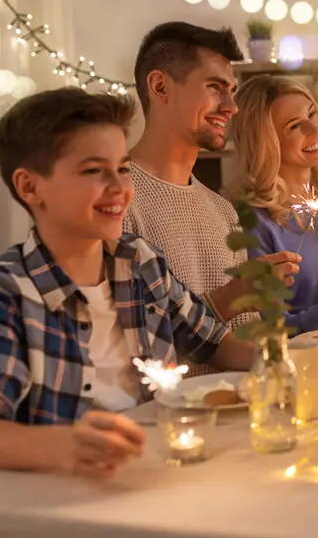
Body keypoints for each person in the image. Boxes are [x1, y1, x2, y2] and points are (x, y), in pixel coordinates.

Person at [0, 88, 255, 478]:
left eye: (123, 168)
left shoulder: (138, 260)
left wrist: (285, 365)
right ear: (29, 187)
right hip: (64, 505)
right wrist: (66, 444)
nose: (120, 188)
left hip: (157, 474)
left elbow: (214, 343)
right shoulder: (2, 297)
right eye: (94, 171)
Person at [123, 22, 299, 366]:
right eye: (215, 87)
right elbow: (130, 342)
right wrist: (230, 296)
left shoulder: (222, 211)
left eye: (231, 90)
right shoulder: (115, 203)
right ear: (160, 86)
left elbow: (239, 341)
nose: (231, 106)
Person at [226, 75, 318, 333]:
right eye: (295, 126)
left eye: (312, 114)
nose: (314, 129)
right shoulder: (251, 222)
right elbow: (268, 327)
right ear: (266, 144)